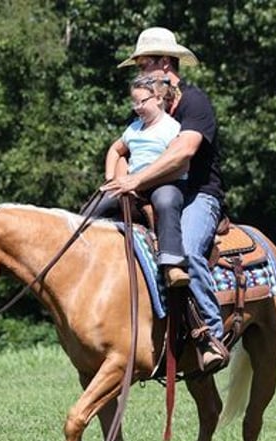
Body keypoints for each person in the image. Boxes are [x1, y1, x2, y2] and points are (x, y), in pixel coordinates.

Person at [100, 27, 228, 373]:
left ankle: (210, 337)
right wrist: (115, 182)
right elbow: (123, 147)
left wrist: (135, 181)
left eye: (143, 65)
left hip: (198, 194)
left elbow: (183, 152)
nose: (140, 73)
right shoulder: (145, 105)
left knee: (185, 247)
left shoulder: (195, 102)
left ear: (164, 64)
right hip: (150, 191)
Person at [97, 74, 191, 287]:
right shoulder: (134, 128)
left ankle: (172, 264)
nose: (137, 107)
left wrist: (141, 182)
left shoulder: (172, 128)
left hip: (166, 181)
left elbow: (180, 166)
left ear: (158, 98)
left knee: (166, 202)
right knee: (98, 205)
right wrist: (111, 178)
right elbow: (115, 149)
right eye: (134, 102)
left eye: (142, 102)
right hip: (132, 184)